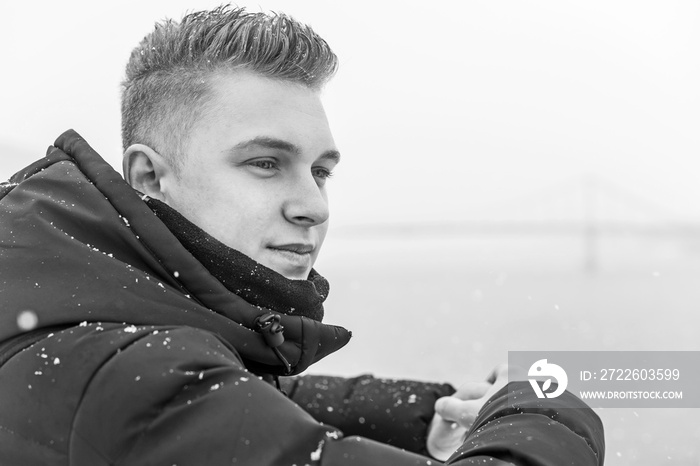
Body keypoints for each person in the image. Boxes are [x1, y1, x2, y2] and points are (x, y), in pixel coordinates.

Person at [0, 5, 604, 465]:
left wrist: (426, 415)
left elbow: (243, 397)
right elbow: (182, 399)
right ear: (149, 176)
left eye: (321, 171)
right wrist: (541, 412)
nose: (315, 207)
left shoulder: (71, 314)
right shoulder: (130, 375)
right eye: (265, 163)